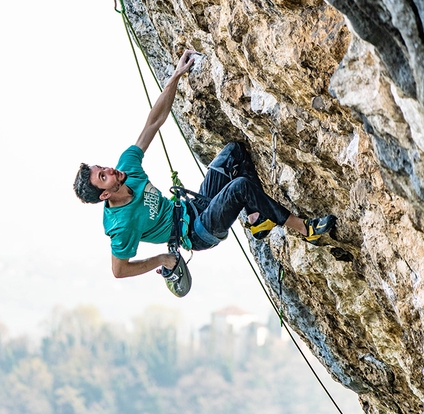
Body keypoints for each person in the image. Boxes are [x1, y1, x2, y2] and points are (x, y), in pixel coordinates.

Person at [73, 49, 336, 280]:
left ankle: (258, 219)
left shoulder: (126, 169)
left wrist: (175, 76)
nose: (108, 170)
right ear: (105, 194)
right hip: (197, 233)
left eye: (102, 168)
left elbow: (153, 123)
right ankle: (305, 228)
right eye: (103, 177)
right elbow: (119, 270)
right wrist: (163, 260)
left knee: (234, 152)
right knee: (240, 187)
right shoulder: (121, 225)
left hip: (196, 206)